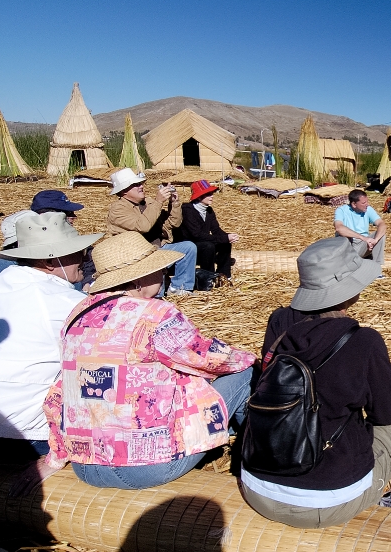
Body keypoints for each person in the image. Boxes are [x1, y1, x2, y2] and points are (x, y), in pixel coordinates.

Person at [37, 231, 256, 490]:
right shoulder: (155, 314)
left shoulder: (78, 314)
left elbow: (60, 393)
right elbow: (208, 358)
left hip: (85, 464)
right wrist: (252, 357)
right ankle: (259, 460)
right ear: (139, 279)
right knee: (244, 374)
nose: (164, 274)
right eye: (159, 269)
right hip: (148, 465)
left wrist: (56, 455)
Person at [239, 236, 391, 528]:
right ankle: (375, 493)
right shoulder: (364, 341)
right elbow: (384, 414)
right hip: (324, 503)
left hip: (256, 486)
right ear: (351, 292)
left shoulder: (280, 322)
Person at [0, 213, 102, 465]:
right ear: (49, 261)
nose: (84, 257)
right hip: (20, 433)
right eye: (76, 252)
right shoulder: (66, 302)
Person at [106, 167, 197, 296]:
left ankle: (180, 288)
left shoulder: (148, 202)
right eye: (135, 185)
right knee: (154, 256)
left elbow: (173, 223)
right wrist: (159, 201)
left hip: (158, 247)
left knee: (188, 247)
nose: (141, 186)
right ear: (123, 191)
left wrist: (174, 203)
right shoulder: (118, 210)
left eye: (140, 183)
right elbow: (142, 226)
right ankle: (155, 294)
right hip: (138, 254)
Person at [179, 179, 239, 279]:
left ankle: (224, 275)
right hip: (189, 246)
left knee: (225, 244)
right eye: (208, 194)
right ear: (199, 197)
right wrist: (224, 238)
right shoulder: (187, 210)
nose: (212, 196)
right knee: (208, 246)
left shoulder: (209, 210)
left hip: (202, 242)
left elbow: (216, 230)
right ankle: (209, 278)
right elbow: (196, 235)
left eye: (211, 193)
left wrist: (228, 237)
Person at [334, 189, 387, 269]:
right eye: (363, 203)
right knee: (344, 237)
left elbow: (381, 224)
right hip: (348, 246)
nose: (367, 204)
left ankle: (376, 267)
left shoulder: (368, 210)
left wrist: (375, 240)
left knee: (381, 235)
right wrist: (363, 238)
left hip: (363, 245)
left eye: (367, 202)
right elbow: (339, 228)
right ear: (354, 204)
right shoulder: (341, 210)